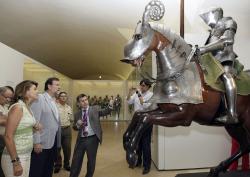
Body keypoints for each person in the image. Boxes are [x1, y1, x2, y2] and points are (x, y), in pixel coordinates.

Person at [199, 7, 238, 124]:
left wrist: (204, 49)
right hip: (211, 62)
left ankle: (232, 113)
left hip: (224, 59)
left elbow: (227, 40)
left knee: (226, 76)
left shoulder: (229, 22)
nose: (208, 22)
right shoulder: (212, 31)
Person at [1, 80, 41, 177]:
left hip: (26, 154)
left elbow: (21, 130)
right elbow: (8, 136)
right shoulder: (18, 107)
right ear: (25, 92)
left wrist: (34, 128)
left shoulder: (27, 107)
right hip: (16, 157)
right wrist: (16, 162)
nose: (38, 91)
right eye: (35, 89)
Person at [70, 93, 108, 177]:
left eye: (86, 100)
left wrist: (110, 107)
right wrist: (77, 125)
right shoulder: (77, 114)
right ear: (79, 103)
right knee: (76, 160)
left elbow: (105, 111)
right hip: (81, 139)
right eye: (82, 101)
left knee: (91, 160)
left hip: (92, 139)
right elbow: (74, 128)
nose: (85, 102)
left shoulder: (95, 109)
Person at [29, 77, 61, 177]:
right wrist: (36, 142)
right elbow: (35, 122)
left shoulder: (54, 101)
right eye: (57, 85)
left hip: (52, 140)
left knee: (48, 168)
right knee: (37, 170)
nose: (59, 87)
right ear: (49, 86)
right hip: (41, 142)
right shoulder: (40, 99)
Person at [127, 79, 153, 175]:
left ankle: (147, 166)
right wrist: (130, 92)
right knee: (138, 142)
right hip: (137, 120)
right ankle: (138, 162)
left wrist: (138, 93)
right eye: (141, 85)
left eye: (143, 85)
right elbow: (129, 102)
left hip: (146, 121)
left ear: (148, 86)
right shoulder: (137, 93)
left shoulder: (151, 95)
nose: (141, 87)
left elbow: (145, 105)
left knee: (146, 144)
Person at [54, 92, 73, 173]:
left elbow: (72, 119)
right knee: (57, 148)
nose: (63, 97)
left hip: (67, 129)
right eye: (62, 96)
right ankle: (58, 164)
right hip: (58, 130)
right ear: (59, 98)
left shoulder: (69, 107)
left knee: (67, 148)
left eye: (65, 96)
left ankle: (66, 164)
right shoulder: (55, 107)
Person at [0, 86, 14, 177]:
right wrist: (12, 119)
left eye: (10, 98)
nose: (8, 100)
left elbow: (4, 119)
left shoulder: (4, 106)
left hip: (4, 139)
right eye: (6, 97)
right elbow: (1, 121)